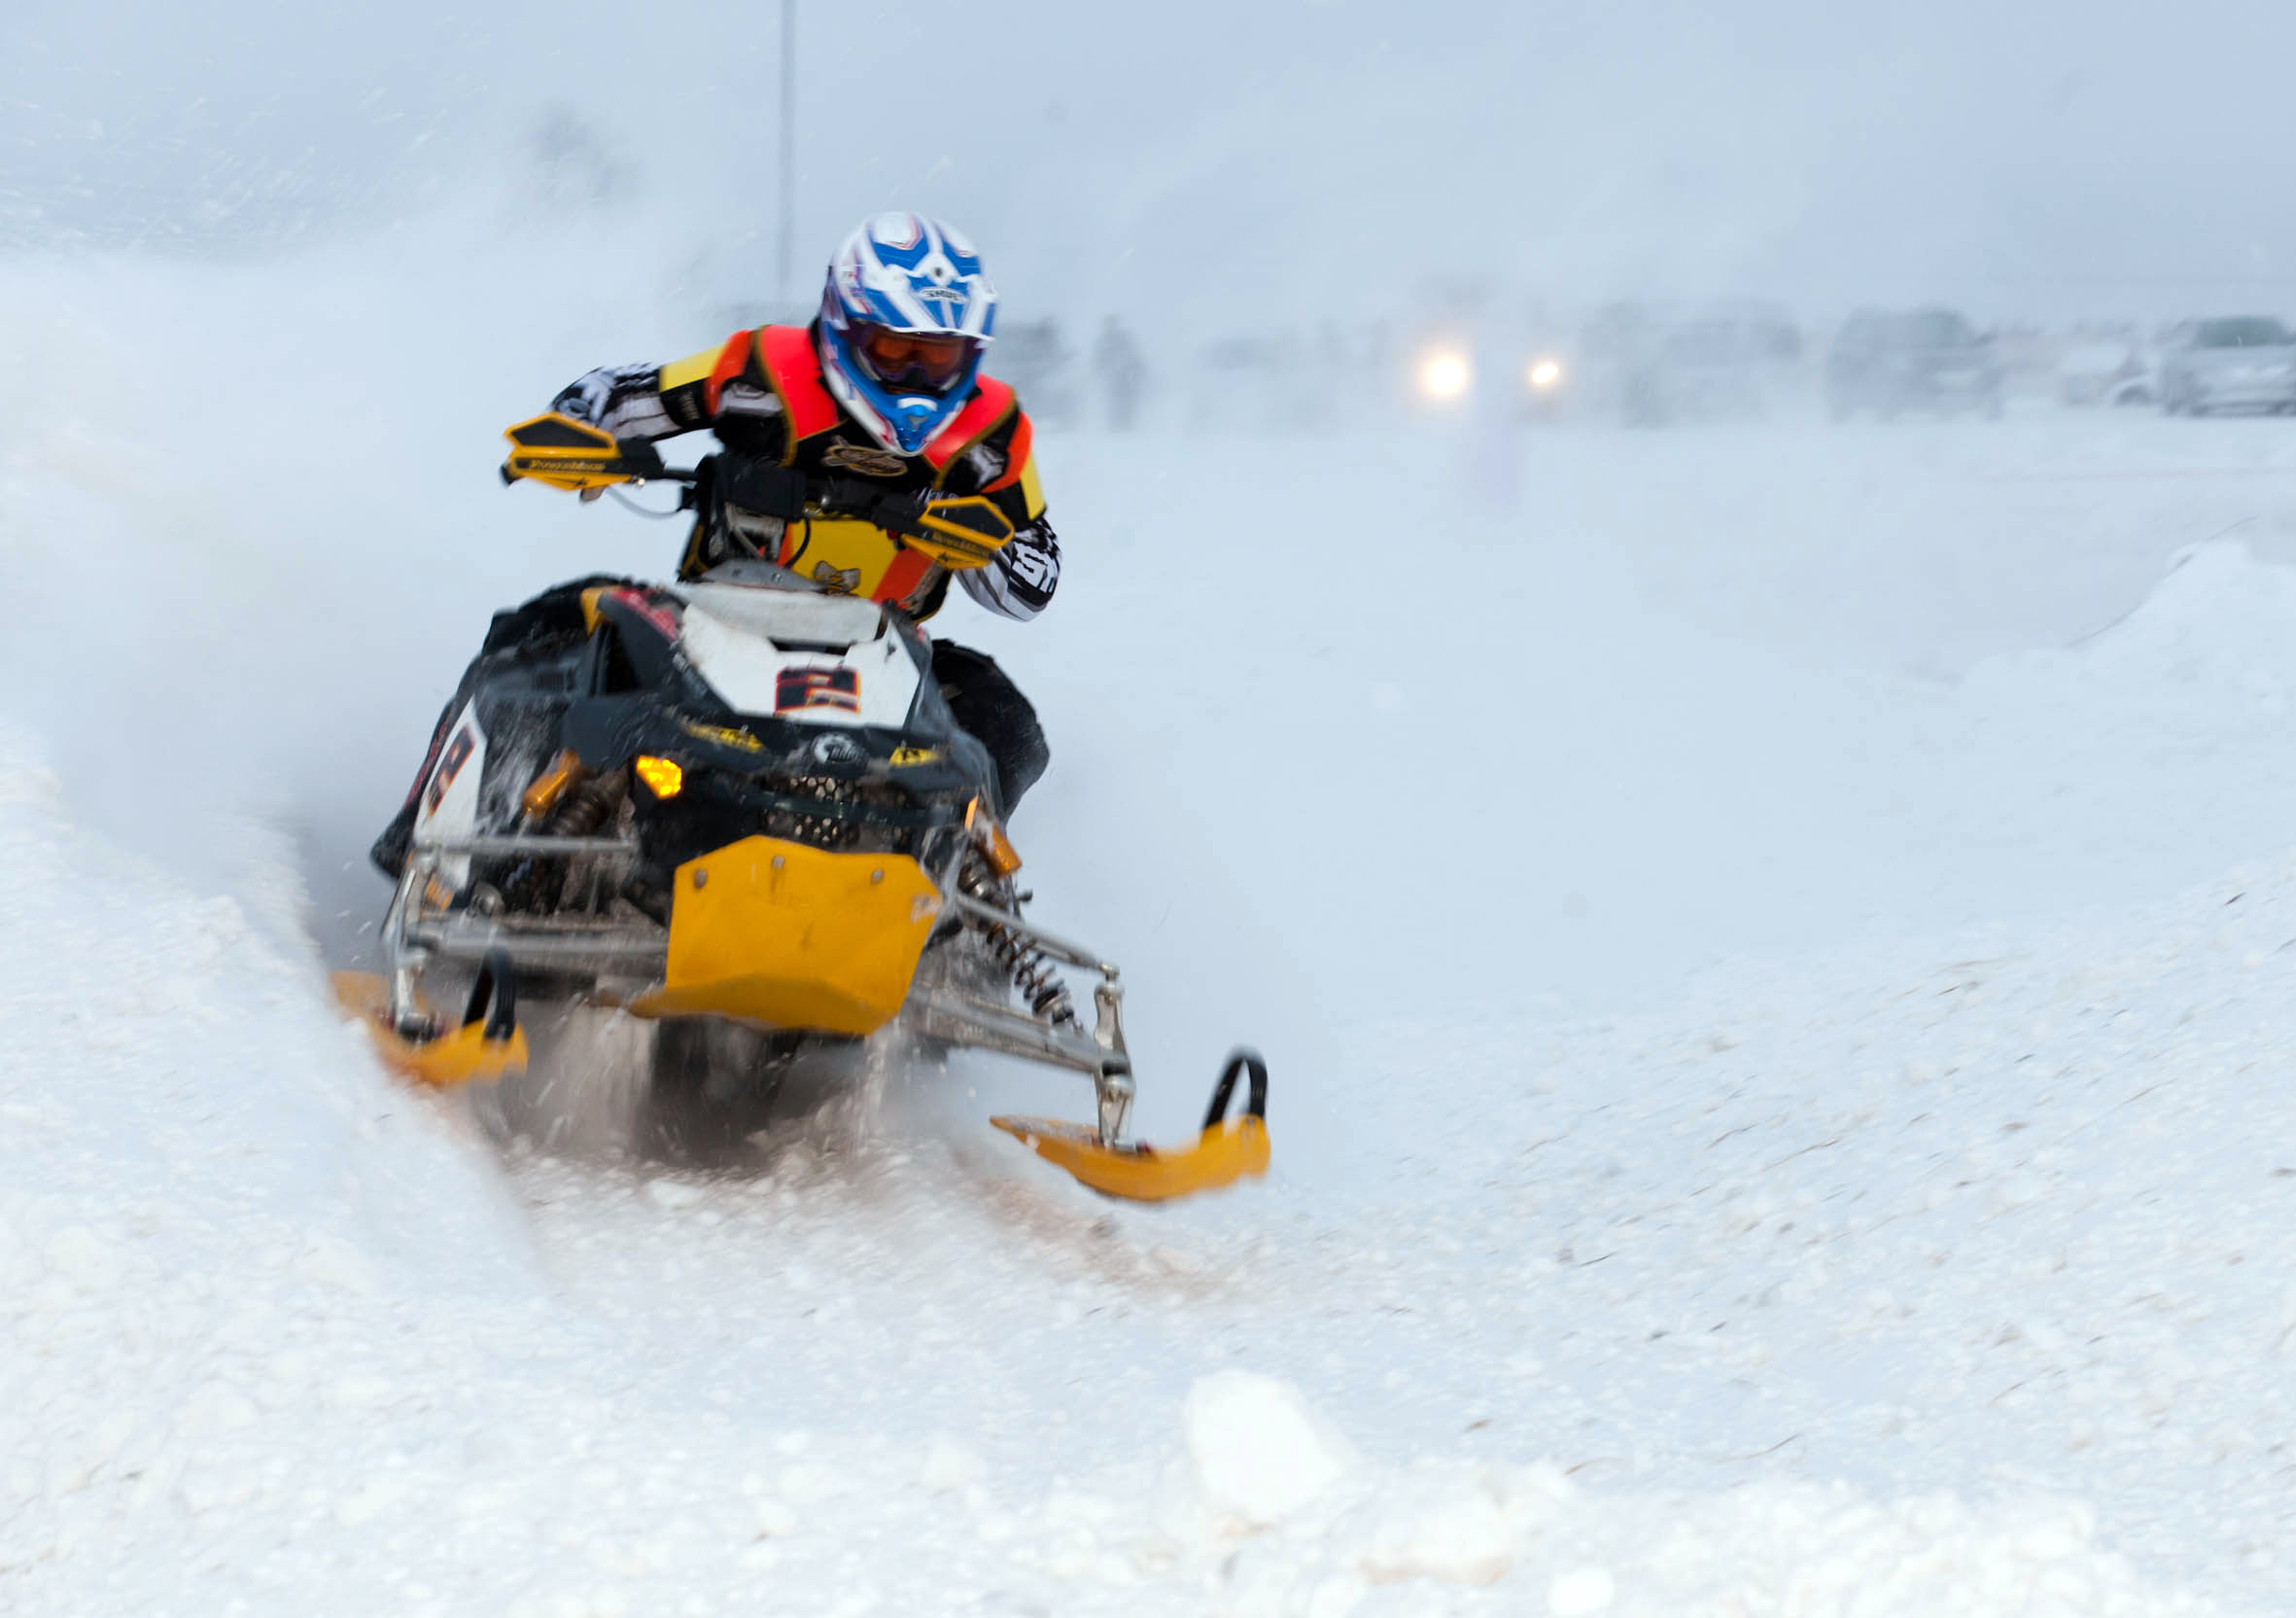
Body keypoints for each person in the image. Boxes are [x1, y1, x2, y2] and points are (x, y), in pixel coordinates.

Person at [550, 211, 1057, 811]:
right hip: (707, 626)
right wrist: (578, 431)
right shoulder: (762, 370)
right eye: (895, 349)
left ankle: (968, 877)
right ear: (845, 327)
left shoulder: (993, 437)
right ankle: (469, 832)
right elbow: (621, 392)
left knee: (1009, 725)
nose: (916, 376)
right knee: (547, 637)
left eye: (939, 356)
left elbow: (1035, 581)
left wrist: (977, 538)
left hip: (885, 646)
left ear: (970, 352)